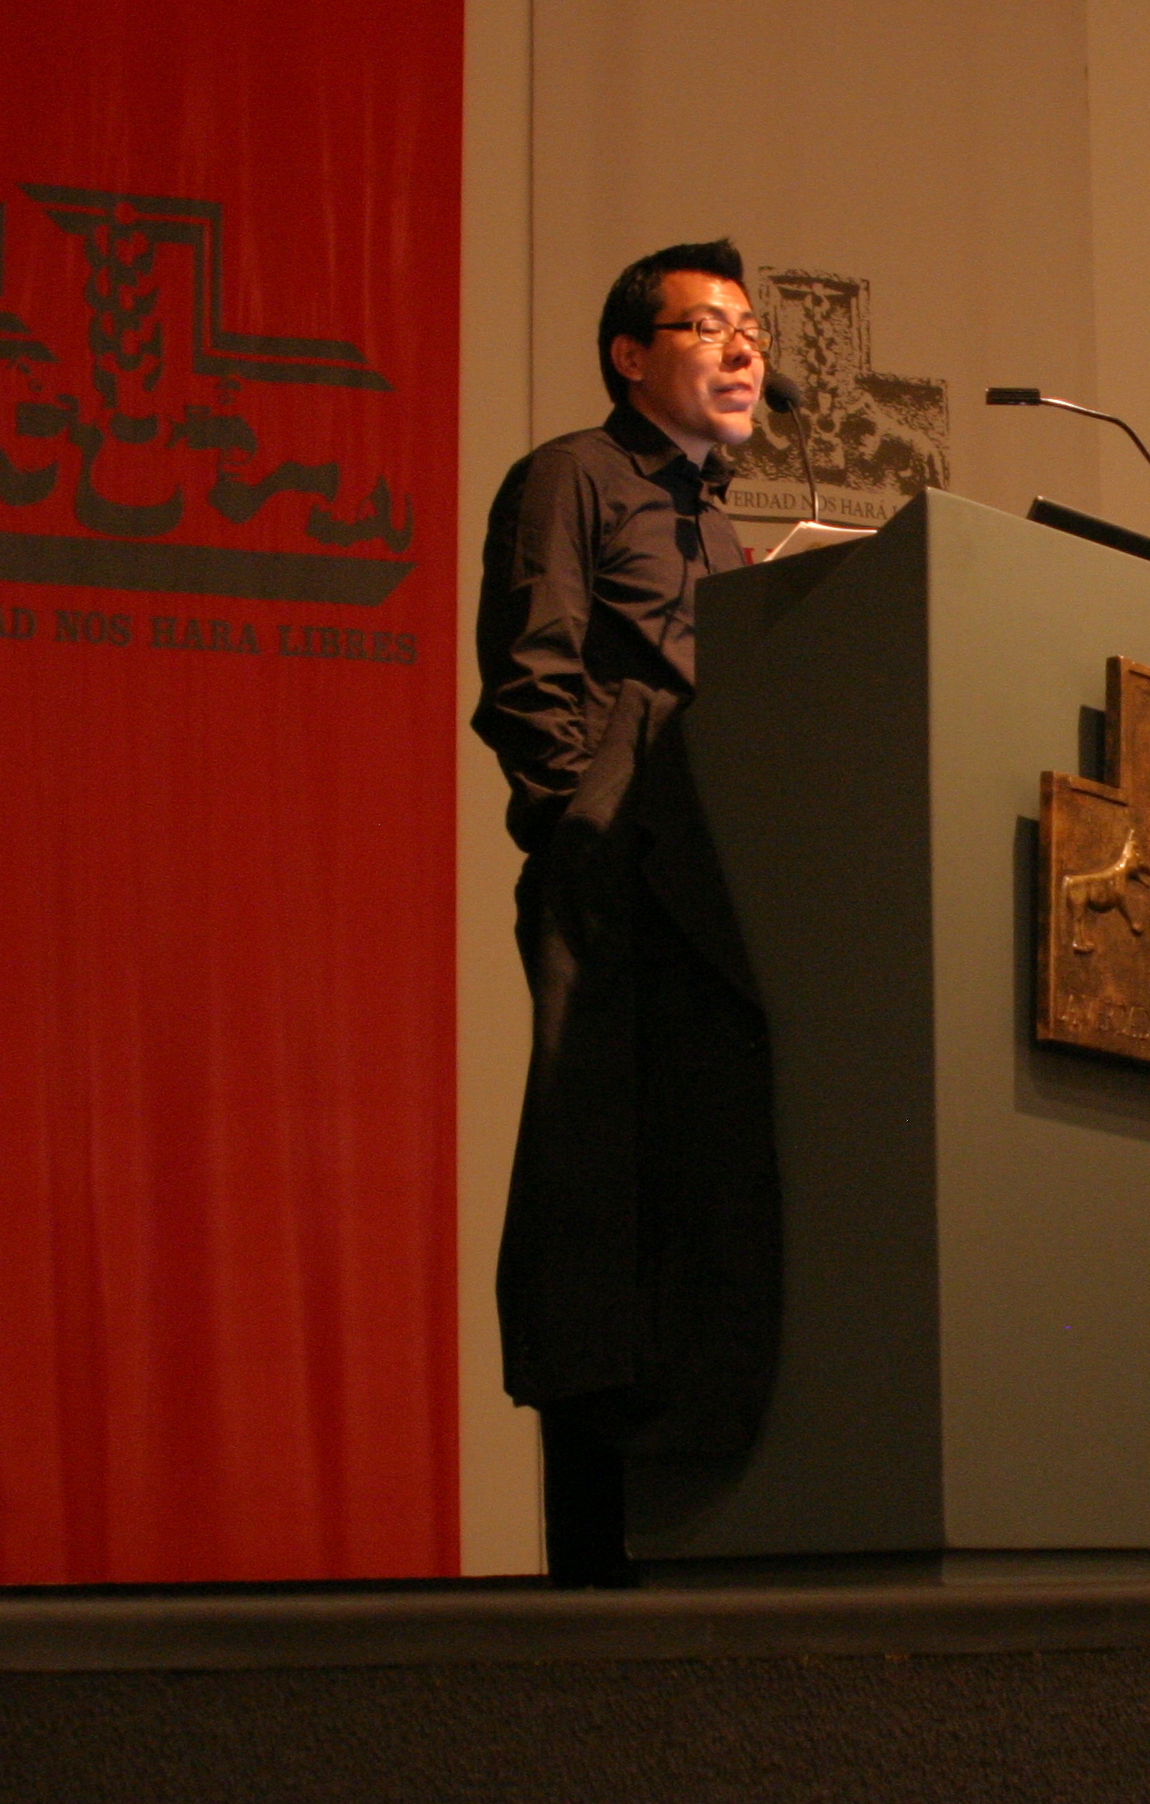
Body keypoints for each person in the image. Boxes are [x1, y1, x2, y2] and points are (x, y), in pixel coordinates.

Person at [471, 240, 784, 1587]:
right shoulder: (574, 476)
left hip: (718, 889)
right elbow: (531, 671)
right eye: (707, 326)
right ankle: (594, 1573)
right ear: (629, 354)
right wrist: (581, 819)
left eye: (751, 329)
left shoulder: (724, 526)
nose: (743, 347)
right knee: (600, 1199)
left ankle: (693, 1544)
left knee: (703, 1210)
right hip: (616, 874)